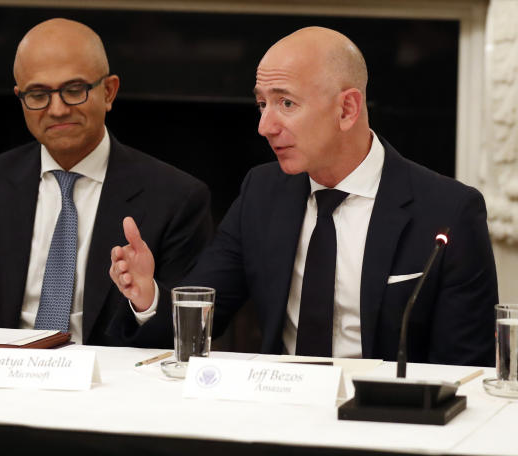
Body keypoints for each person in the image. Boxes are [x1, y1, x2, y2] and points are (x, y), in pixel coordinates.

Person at [110, 26, 498, 365]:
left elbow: (465, 369)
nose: (265, 126)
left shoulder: (449, 210)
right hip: (278, 411)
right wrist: (149, 298)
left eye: (286, 103)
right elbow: (200, 321)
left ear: (347, 109)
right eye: (262, 103)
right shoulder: (261, 193)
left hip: (388, 423)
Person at [0, 18, 213, 345]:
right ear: (20, 98)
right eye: (38, 94)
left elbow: (188, 338)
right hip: (4, 377)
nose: (57, 109)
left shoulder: (175, 198)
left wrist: (146, 300)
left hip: (111, 387)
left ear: (109, 91)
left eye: (73, 90)